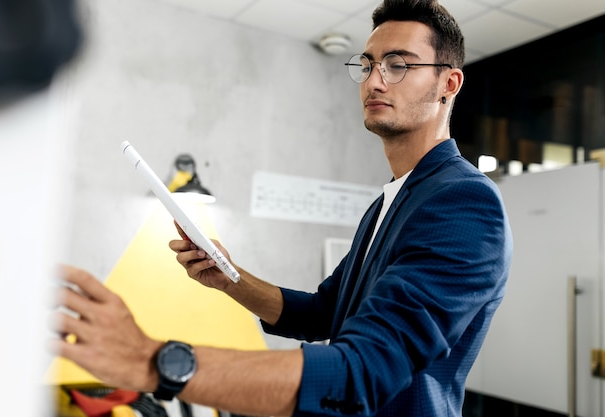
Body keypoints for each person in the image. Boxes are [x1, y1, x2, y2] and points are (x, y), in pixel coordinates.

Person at [52, 0, 512, 416]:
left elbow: (361, 372)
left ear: (448, 83)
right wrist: (230, 277)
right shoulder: (387, 203)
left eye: (398, 65)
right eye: (368, 64)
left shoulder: (464, 203)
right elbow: (323, 313)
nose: (374, 80)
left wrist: (151, 360)